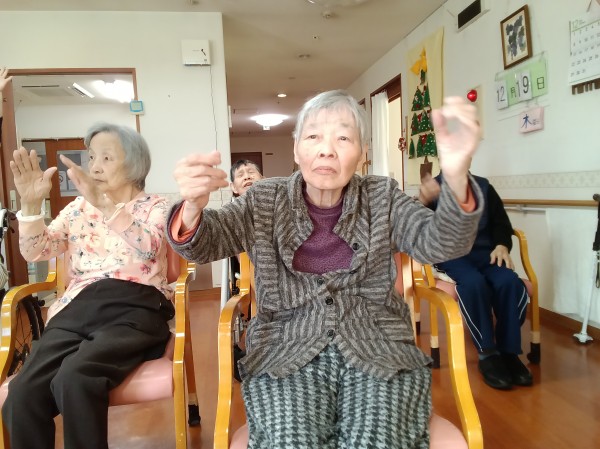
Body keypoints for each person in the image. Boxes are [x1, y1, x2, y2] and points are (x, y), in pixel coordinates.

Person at [168, 90, 483, 448]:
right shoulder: (263, 199)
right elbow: (206, 242)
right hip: (285, 350)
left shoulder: (382, 197)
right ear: (296, 149)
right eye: (314, 136)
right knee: (292, 442)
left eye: (343, 138)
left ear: (363, 153)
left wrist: (456, 177)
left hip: (378, 347)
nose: (327, 150)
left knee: (377, 441)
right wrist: (192, 207)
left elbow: (441, 244)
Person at [1, 123, 174, 449]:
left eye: (107, 158)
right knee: (22, 394)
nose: (94, 166)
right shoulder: (76, 209)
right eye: (92, 157)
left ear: (134, 164)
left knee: (76, 377)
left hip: (135, 308)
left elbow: (150, 247)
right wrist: (30, 207)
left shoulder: (156, 206)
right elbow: (37, 251)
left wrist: (106, 205)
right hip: (76, 309)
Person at [419, 172, 533, 390]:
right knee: (473, 283)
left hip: (487, 255)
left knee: (509, 282)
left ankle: (509, 352)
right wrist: (423, 202)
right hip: (452, 257)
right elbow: (420, 228)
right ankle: (487, 353)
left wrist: (502, 244)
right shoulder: (434, 188)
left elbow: (501, 223)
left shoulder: (484, 186)